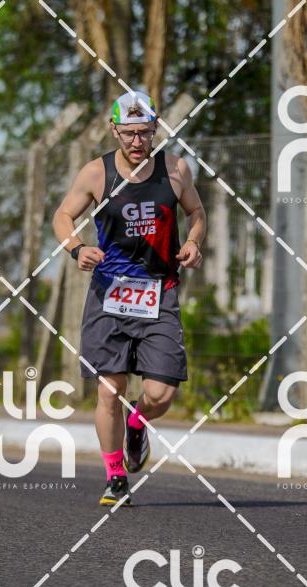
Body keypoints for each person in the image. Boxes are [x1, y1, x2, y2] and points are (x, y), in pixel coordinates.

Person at [52, 90, 206, 506]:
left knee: (161, 394)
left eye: (144, 133)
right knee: (109, 390)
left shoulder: (175, 170)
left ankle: (137, 422)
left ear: (155, 129)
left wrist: (193, 241)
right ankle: (115, 477)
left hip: (160, 292)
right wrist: (77, 248)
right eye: (129, 134)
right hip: (110, 294)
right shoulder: (96, 173)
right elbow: (62, 216)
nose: (137, 142)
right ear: (114, 131)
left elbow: (196, 212)